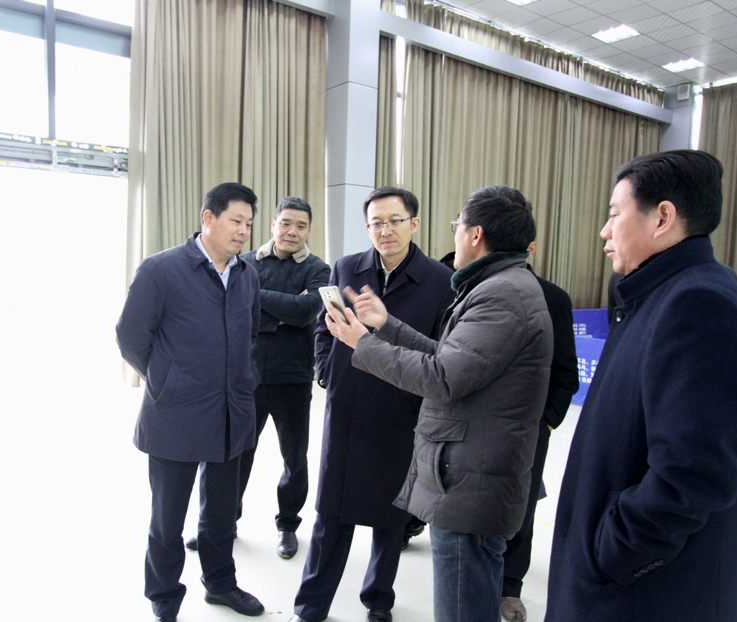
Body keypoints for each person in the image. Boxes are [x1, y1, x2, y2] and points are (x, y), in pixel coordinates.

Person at [546, 150, 737, 622]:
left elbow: (693, 473)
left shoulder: (698, 304)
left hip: (644, 598)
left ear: (662, 217)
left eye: (614, 214)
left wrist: (615, 552)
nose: (605, 232)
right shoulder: (651, 297)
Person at [324, 184, 553, 622]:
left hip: (470, 481)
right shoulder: (502, 285)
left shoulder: (501, 295)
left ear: (475, 234)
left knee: (462, 608)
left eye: (457, 226)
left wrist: (362, 344)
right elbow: (454, 358)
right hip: (469, 472)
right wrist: (387, 325)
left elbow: (442, 377)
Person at [287, 187, 455, 622]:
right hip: (349, 406)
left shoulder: (440, 280)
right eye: (377, 223)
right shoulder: (347, 267)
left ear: (414, 224)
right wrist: (327, 371)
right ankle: (311, 605)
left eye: (395, 221)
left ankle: (378, 600)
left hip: (403, 411)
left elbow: (443, 350)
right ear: (367, 228)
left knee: (391, 517)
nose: (385, 230)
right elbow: (324, 326)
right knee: (331, 513)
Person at [116, 182, 266, 622]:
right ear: (208, 218)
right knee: (168, 520)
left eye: (249, 223)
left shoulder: (247, 274)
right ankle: (164, 598)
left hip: (232, 412)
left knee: (221, 516)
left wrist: (245, 379)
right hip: (175, 414)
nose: (243, 231)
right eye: (236, 221)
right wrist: (166, 380)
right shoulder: (162, 269)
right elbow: (130, 336)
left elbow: (252, 333)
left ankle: (220, 584)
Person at [236, 196, 331, 558]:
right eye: (286, 223)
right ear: (273, 224)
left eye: (301, 226)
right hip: (246, 375)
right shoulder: (246, 262)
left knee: (294, 458)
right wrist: (282, 312)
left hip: (292, 377)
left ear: (309, 230)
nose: (292, 231)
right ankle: (224, 521)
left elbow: (306, 311)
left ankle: (288, 525)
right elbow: (235, 310)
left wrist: (258, 300)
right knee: (237, 453)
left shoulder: (319, 269)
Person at [499, 240, 579, 622]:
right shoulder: (467, 290)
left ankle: (509, 586)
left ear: (529, 245)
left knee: (521, 507)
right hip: (473, 424)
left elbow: (566, 372)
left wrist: (545, 422)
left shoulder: (553, 299)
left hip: (529, 428)